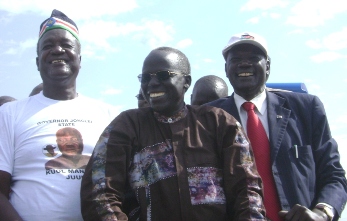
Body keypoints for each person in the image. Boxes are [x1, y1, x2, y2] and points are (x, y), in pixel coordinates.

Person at [81, 46, 266, 220]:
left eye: (163, 75)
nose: (153, 83)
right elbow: (99, 192)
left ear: (186, 82)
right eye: (145, 78)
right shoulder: (126, 126)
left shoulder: (220, 123)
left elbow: (247, 190)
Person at [206, 32, 347, 221]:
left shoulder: (306, 108)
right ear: (226, 69)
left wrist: (322, 214)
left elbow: (333, 175)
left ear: (268, 66)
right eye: (236, 59)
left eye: (254, 58)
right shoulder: (207, 118)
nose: (244, 64)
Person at [0, 9, 118, 221]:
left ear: (79, 60)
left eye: (66, 45)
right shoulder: (9, 114)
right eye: (48, 46)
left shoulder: (109, 115)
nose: (57, 50)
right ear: (37, 62)